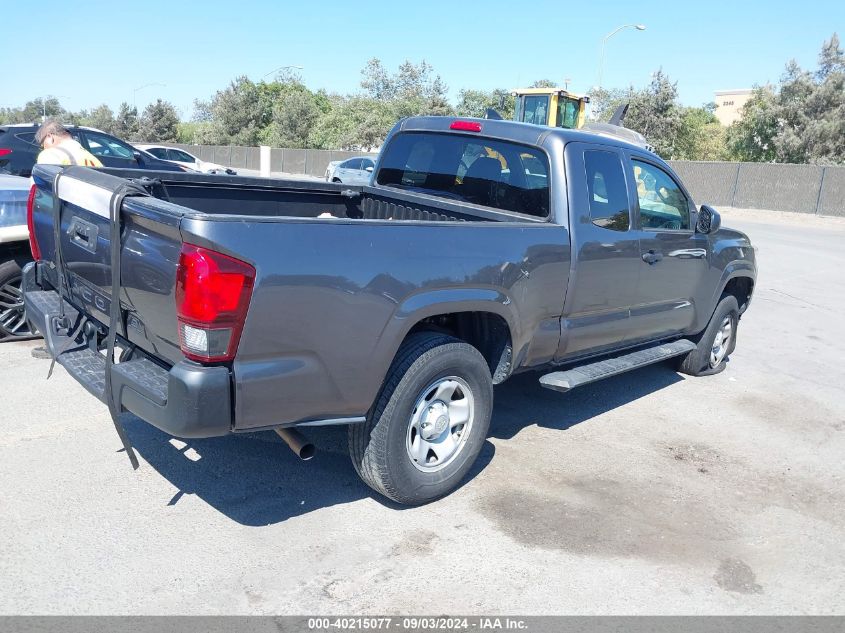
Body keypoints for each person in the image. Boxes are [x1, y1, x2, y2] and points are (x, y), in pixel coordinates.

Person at [34, 120, 102, 168]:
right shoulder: (92, 159)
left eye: (42, 144)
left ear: (50, 137)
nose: (43, 148)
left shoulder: (49, 154)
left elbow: (46, 185)